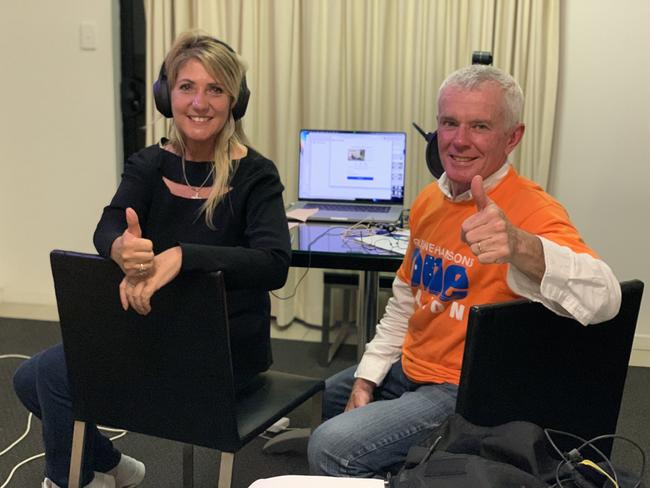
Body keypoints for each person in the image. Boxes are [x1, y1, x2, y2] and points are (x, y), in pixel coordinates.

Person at [248, 64, 621, 487]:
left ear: (512, 137)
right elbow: (406, 300)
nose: (460, 140)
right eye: (449, 123)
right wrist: (367, 378)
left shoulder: (532, 209)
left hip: (463, 390)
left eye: (480, 126)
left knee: (331, 446)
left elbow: (606, 298)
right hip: (412, 366)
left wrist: (521, 246)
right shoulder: (430, 200)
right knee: (332, 395)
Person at [13, 31, 291, 488]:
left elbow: (273, 262)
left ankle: (71, 480)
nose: (199, 102)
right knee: (29, 379)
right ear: (167, 95)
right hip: (154, 331)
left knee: (53, 375)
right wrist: (120, 247)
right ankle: (113, 467)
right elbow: (107, 225)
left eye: (215, 89)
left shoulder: (256, 175)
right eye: (187, 87)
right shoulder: (148, 164)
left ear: (235, 100)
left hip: (223, 350)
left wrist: (185, 255)